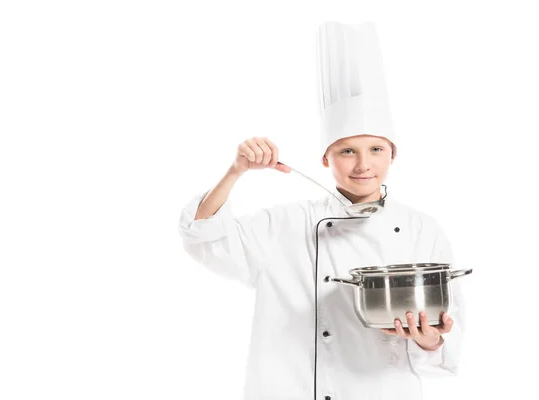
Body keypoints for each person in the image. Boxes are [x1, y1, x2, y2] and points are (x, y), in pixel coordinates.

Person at [178, 21, 466, 400]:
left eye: (376, 149)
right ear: (325, 158)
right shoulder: (286, 223)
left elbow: (444, 350)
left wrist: (430, 340)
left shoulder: (421, 230)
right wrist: (236, 171)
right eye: (347, 150)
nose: (363, 164)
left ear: (393, 154)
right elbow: (202, 237)